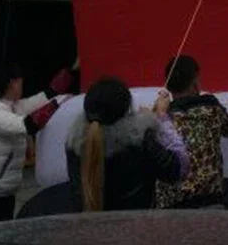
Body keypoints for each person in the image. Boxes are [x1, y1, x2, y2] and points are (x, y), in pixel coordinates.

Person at [0, 62, 74, 224]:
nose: (22, 85)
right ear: (12, 83)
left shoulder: (14, 107)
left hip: (4, 191)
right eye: (20, 81)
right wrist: (58, 103)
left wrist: (71, 71)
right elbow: (29, 125)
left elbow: (44, 97)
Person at [66, 77, 187, 212]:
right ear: (126, 111)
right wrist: (160, 117)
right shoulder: (141, 141)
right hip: (136, 227)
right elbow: (178, 169)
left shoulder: (74, 143)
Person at [155, 54, 228, 210]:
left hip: (170, 207)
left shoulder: (159, 117)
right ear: (195, 84)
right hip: (208, 201)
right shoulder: (211, 109)